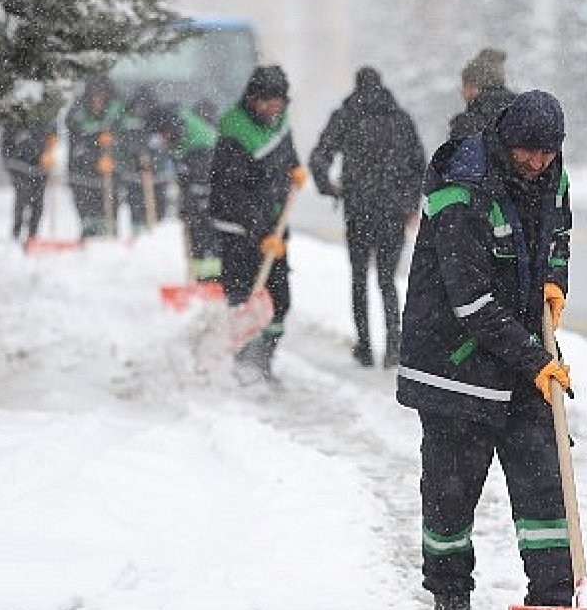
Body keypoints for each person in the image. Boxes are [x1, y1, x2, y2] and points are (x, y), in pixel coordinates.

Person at [396, 90, 574, 610]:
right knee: (451, 492)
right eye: (528, 152)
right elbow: (469, 299)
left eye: (547, 153)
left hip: (521, 359)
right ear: (504, 141)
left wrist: (554, 280)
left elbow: (559, 234)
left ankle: (551, 607)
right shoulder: (461, 187)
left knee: (547, 486)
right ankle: (451, 600)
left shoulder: (553, 175)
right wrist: (535, 359)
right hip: (454, 362)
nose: (538, 163)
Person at [309, 67, 426, 368]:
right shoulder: (400, 119)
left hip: (358, 209)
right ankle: (394, 347)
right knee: (387, 279)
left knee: (359, 277)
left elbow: (318, 156)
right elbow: (420, 165)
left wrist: (330, 187)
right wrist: (410, 203)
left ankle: (364, 346)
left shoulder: (347, 115)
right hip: (392, 211)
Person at [208, 65, 307, 384]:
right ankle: (244, 363)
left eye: (277, 103)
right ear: (251, 100)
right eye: (265, 102)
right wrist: (260, 232)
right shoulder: (234, 133)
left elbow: (287, 154)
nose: (271, 109)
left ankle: (265, 361)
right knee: (245, 296)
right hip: (239, 229)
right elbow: (234, 192)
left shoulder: (280, 124)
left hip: (273, 226)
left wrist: (295, 169)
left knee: (280, 299)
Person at [148, 103, 221, 282]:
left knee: (203, 230)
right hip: (202, 180)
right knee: (199, 228)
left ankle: (210, 279)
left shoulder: (196, 142)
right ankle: (202, 277)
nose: (162, 141)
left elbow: (196, 181)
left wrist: (190, 203)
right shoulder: (182, 121)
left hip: (205, 183)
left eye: (162, 135)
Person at [65, 75, 124, 238]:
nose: (98, 100)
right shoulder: (78, 112)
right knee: (85, 205)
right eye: (95, 95)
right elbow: (75, 138)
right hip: (82, 172)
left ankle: (109, 232)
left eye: (102, 95)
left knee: (109, 204)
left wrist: (112, 148)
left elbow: (125, 137)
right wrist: (92, 152)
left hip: (109, 173)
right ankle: (89, 232)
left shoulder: (116, 112)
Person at [116, 86, 171, 236]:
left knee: (157, 207)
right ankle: (139, 235)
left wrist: (153, 154)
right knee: (136, 207)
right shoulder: (127, 120)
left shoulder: (159, 119)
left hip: (157, 176)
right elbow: (122, 143)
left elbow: (166, 142)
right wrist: (135, 152)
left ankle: (154, 234)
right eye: (137, 106)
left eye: (144, 106)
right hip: (133, 175)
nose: (140, 109)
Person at [0, 111, 58, 243]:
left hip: (40, 168)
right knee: (22, 199)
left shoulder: (46, 114)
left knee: (37, 203)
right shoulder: (16, 115)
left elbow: (53, 133)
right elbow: (6, 143)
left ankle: (33, 235)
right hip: (20, 166)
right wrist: (10, 163)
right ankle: (16, 233)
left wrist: (51, 148)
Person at [448, 48, 514, 141]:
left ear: (473, 87)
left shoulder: (469, 124)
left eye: (465, 85)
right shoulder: (520, 114)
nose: (462, 92)